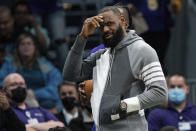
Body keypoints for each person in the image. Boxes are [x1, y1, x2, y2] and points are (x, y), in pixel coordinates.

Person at [63, 6, 168, 131]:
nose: (105, 29)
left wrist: (122, 106)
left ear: (123, 21)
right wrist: (82, 37)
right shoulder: (102, 54)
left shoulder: (142, 50)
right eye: (101, 26)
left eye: (110, 24)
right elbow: (70, 75)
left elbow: (160, 93)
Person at [0, 32, 62, 110]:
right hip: (15, 100)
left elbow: (55, 86)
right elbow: (1, 83)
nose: (26, 46)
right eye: (22, 44)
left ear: (34, 47)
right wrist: (15, 91)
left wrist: (35, 94)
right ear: (17, 48)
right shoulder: (9, 64)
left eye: (29, 43)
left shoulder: (44, 64)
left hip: (41, 101)